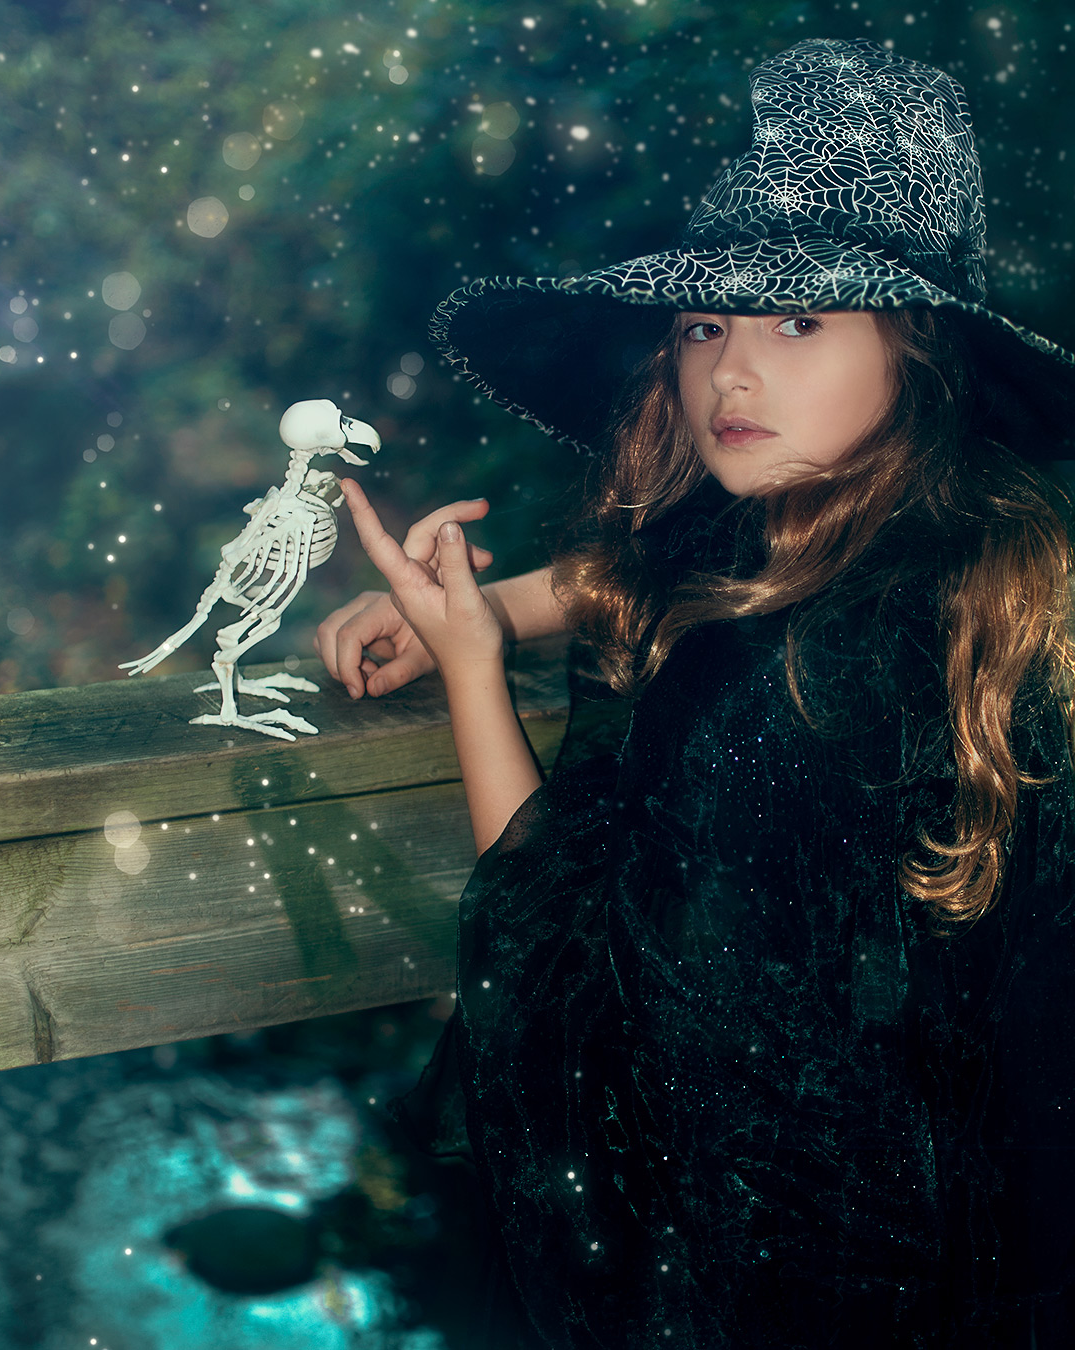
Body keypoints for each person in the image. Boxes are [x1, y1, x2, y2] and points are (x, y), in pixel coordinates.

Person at [316, 38, 1075, 1348]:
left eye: (799, 321)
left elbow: (564, 981)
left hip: (794, 1289)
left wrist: (475, 670)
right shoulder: (970, 567)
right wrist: (509, 602)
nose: (731, 372)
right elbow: (667, 561)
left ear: (915, 352)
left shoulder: (782, 682)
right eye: (704, 324)